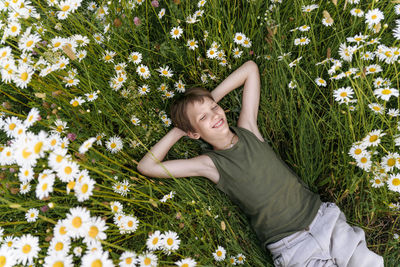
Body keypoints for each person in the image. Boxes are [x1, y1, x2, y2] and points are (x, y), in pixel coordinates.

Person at [137, 60, 384, 266]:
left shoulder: (248, 129)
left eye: (215, 107)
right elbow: (147, 166)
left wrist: (209, 100)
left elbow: (250, 69)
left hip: (322, 219)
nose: (214, 115)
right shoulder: (209, 164)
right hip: (292, 246)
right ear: (193, 133)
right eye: (203, 117)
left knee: (365, 262)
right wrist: (180, 129)